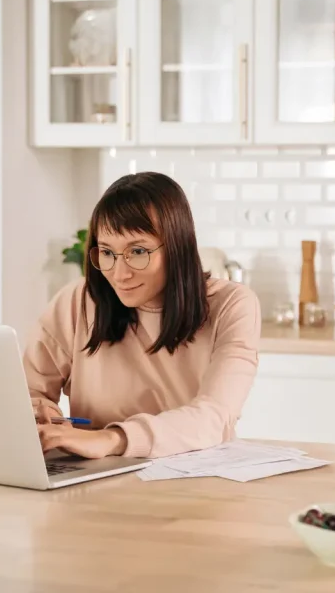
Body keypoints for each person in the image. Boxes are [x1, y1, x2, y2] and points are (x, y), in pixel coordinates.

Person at [24, 172, 261, 460]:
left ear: (176, 245)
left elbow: (214, 417)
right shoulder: (77, 301)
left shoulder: (232, 304)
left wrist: (113, 439)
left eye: (138, 251)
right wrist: (38, 410)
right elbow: (26, 393)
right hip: (95, 480)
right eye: (107, 253)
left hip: (196, 480)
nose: (120, 274)